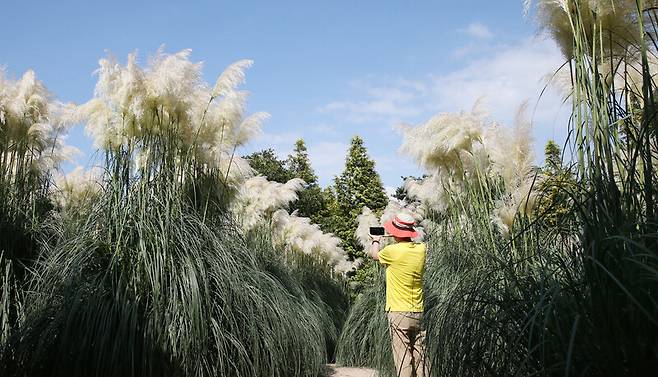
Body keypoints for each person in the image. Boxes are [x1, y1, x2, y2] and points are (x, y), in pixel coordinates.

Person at [370, 213, 427, 377]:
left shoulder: (391, 251)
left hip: (398, 313)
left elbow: (374, 255)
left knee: (403, 357)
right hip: (418, 312)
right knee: (421, 356)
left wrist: (376, 239)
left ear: (396, 232)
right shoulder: (421, 249)